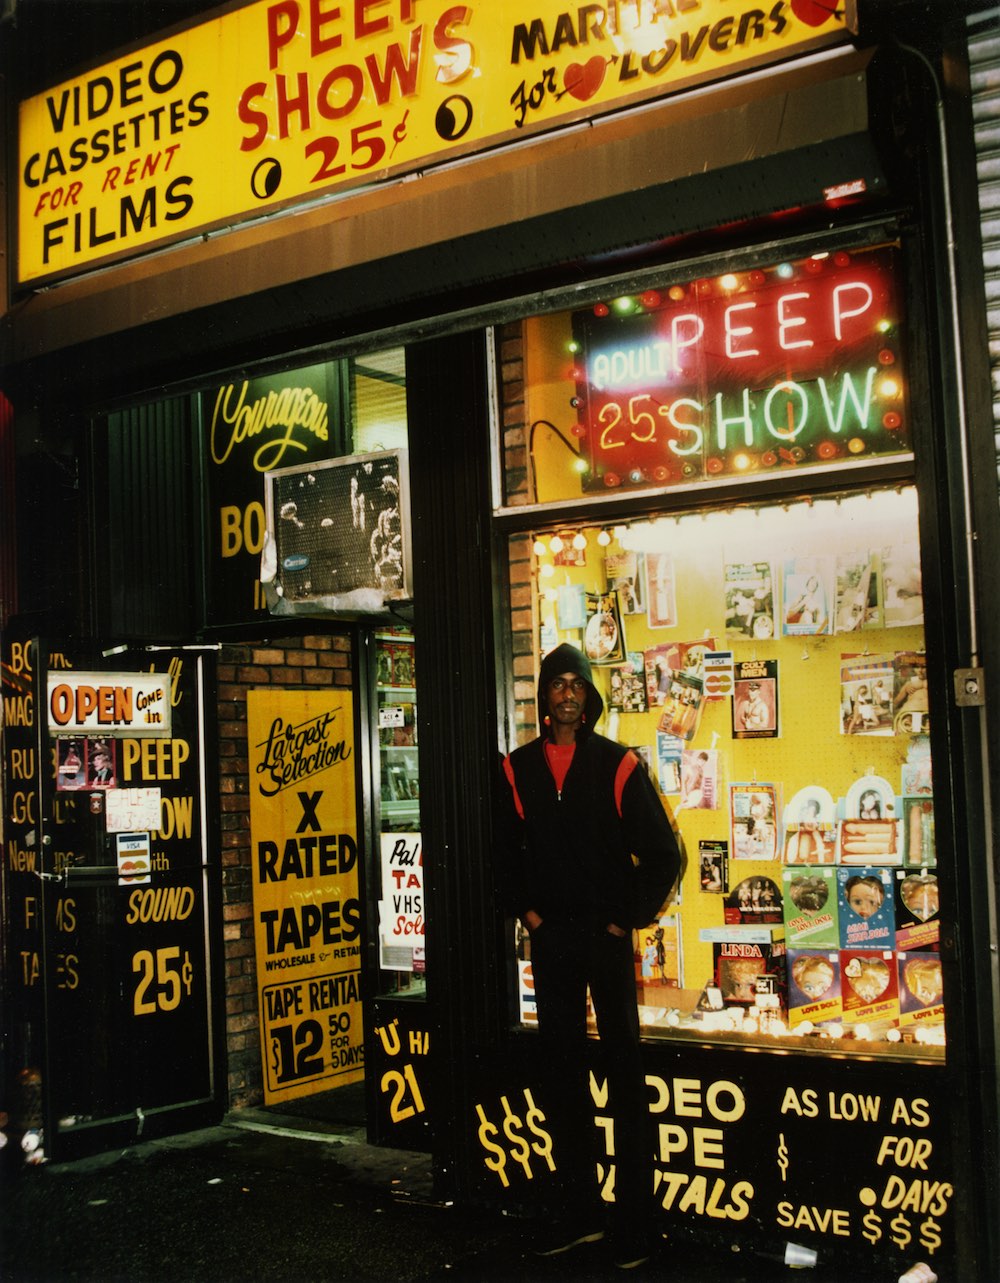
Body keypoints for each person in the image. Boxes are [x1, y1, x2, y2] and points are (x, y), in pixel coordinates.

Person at [497, 642, 681, 1270]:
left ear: (589, 696)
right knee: (562, 1077)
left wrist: (620, 918)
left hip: (604, 942)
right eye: (558, 684)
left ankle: (634, 1225)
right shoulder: (515, 770)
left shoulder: (618, 765)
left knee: (625, 1079)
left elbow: (663, 856)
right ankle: (578, 1212)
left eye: (578, 684)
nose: (568, 693)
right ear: (544, 697)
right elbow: (502, 856)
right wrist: (531, 918)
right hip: (553, 943)